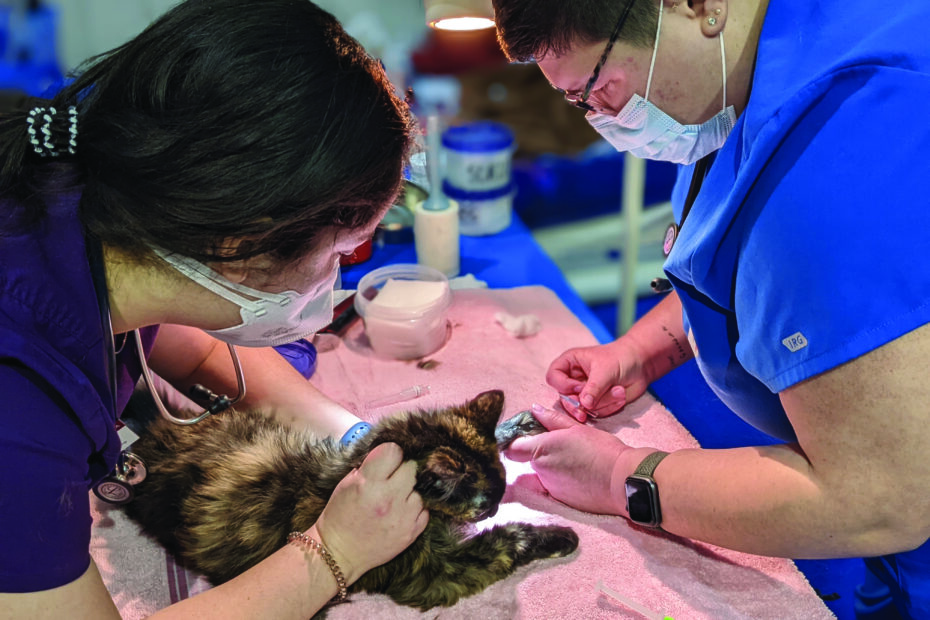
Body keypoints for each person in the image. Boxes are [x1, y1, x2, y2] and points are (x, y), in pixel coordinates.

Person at [491, 0, 930, 617]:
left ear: (698, 7)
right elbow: (757, 264)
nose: (603, 122)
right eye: (576, 104)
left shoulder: (829, 167)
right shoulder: (738, 76)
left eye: (597, 90)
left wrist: (623, 478)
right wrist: (640, 350)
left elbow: (881, 501)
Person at [0, 1, 429, 617]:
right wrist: (334, 550)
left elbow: (189, 346)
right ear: (238, 243)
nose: (338, 276)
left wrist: (349, 434)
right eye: (339, 250)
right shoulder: (14, 410)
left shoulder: (93, 207)